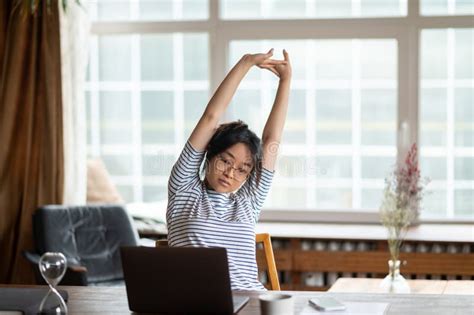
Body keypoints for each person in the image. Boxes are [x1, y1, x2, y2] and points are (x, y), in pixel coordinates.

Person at [166, 49, 291, 290]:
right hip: (194, 305)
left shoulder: (248, 202)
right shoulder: (183, 189)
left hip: (251, 303)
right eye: (225, 161)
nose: (230, 173)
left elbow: (272, 139)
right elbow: (210, 118)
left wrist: (286, 81)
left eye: (243, 169)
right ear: (210, 153)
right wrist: (245, 63)